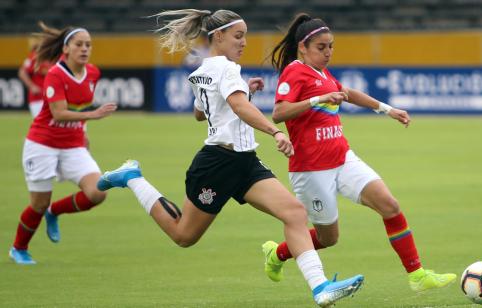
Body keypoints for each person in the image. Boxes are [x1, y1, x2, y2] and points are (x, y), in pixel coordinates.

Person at [97, 9, 363, 307]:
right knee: (184, 235)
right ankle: (133, 178)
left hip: (245, 162)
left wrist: (243, 91)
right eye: (238, 36)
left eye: (245, 36)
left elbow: (201, 112)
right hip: (217, 164)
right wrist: (274, 132)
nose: (244, 42)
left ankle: (320, 287)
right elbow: (237, 107)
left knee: (294, 213)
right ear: (218, 36)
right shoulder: (226, 69)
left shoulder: (202, 70)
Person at [261, 13, 457, 292]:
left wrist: (388, 110)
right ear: (303, 48)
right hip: (311, 170)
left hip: (342, 159)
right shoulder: (295, 71)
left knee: (389, 205)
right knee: (329, 238)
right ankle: (278, 253)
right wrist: (318, 99)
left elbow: (347, 93)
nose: (328, 52)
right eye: (321, 47)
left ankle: (417, 275)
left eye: (331, 46)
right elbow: (279, 112)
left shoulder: (321, 72)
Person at [9, 23, 117, 265]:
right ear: (66, 48)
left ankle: (54, 212)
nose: (84, 48)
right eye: (79, 44)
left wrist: (84, 131)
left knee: (98, 192)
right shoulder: (55, 74)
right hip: (43, 144)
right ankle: (19, 248)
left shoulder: (93, 73)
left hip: (73, 144)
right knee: (37, 204)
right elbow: (59, 113)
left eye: (88, 44)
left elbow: (80, 106)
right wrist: (93, 116)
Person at [18, 33, 53, 118]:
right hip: (38, 98)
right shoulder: (35, 56)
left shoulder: (53, 56)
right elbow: (22, 72)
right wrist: (32, 86)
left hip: (52, 99)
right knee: (43, 127)